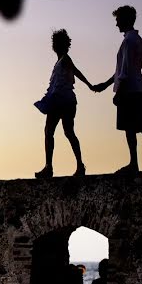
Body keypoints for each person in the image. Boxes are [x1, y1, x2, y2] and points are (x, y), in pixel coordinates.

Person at [92, 6, 142, 174]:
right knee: (135, 126)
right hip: (136, 87)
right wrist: (105, 85)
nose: (116, 24)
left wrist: (118, 93)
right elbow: (123, 69)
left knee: (138, 126)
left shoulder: (128, 41)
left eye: (118, 20)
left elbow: (125, 71)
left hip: (129, 90)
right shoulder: (136, 39)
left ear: (125, 19)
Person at [34, 29, 95, 178]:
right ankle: (72, 166)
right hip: (63, 100)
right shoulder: (60, 61)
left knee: (53, 132)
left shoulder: (65, 59)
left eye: (56, 43)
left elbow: (76, 71)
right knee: (63, 132)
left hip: (61, 100)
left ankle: (55, 167)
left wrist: (89, 85)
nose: (54, 45)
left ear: (61, 45)